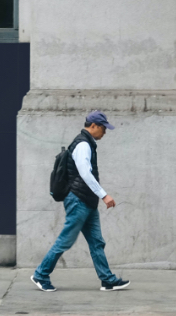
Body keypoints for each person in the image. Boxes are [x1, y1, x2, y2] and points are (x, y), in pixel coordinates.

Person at [31, 111, 130, 293]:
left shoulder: (87, 143)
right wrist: (104, 195)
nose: (104, 133)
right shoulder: (83, 144)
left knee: (96, 242)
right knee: (66, 240)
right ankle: (41, 274)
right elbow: (85, 173)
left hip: (86, 201)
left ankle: (107, 280)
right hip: (78, 199)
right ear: (93, 126)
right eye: (103, 128)